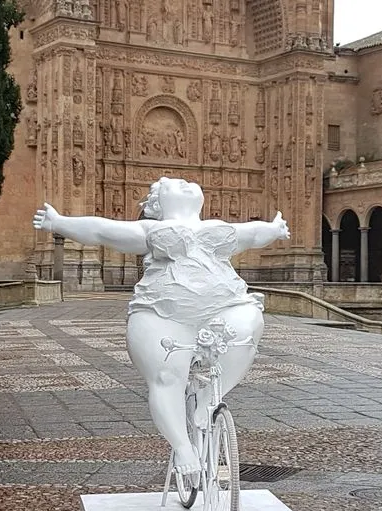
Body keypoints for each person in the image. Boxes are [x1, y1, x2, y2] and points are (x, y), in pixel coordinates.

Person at [32, 176, 289, 475]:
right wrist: (59, 222)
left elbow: (253, 233)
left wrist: (273, 229)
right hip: (163, 312)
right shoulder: (150, 228)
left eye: (185, 182)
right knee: (167, 375)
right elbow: (101, 229)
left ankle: (208, 401)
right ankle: (182, 446)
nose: (179, 182)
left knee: (247, 328)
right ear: (156, 205)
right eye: (169, 184)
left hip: (223, 307)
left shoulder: (216, 227)